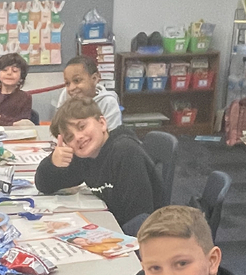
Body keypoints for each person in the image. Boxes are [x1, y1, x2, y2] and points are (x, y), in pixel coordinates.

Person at [34, 97, 161, 230]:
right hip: (116, 226)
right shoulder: (85, 157)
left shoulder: (125, 152)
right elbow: (44, 185)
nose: (78, 137)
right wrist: (53, 162)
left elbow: (140, 220)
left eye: (82, 127)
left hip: (148, 234)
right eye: (70, 137)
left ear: (102, 123)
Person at [54, 55, 122, 131]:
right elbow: (59, 127)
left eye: (77, 81)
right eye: (67, 83)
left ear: (94, 78)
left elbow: (113, 135)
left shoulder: (108, 103)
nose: (71, 88)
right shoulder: (65, 95)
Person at [0, 53, 33, 126]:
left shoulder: (25, 97)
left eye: (14, 71)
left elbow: (21, 122)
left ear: (21, 77)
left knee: (26, 123)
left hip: (16, 132)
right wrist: (11, 122)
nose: (9, 73)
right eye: (5, 70)